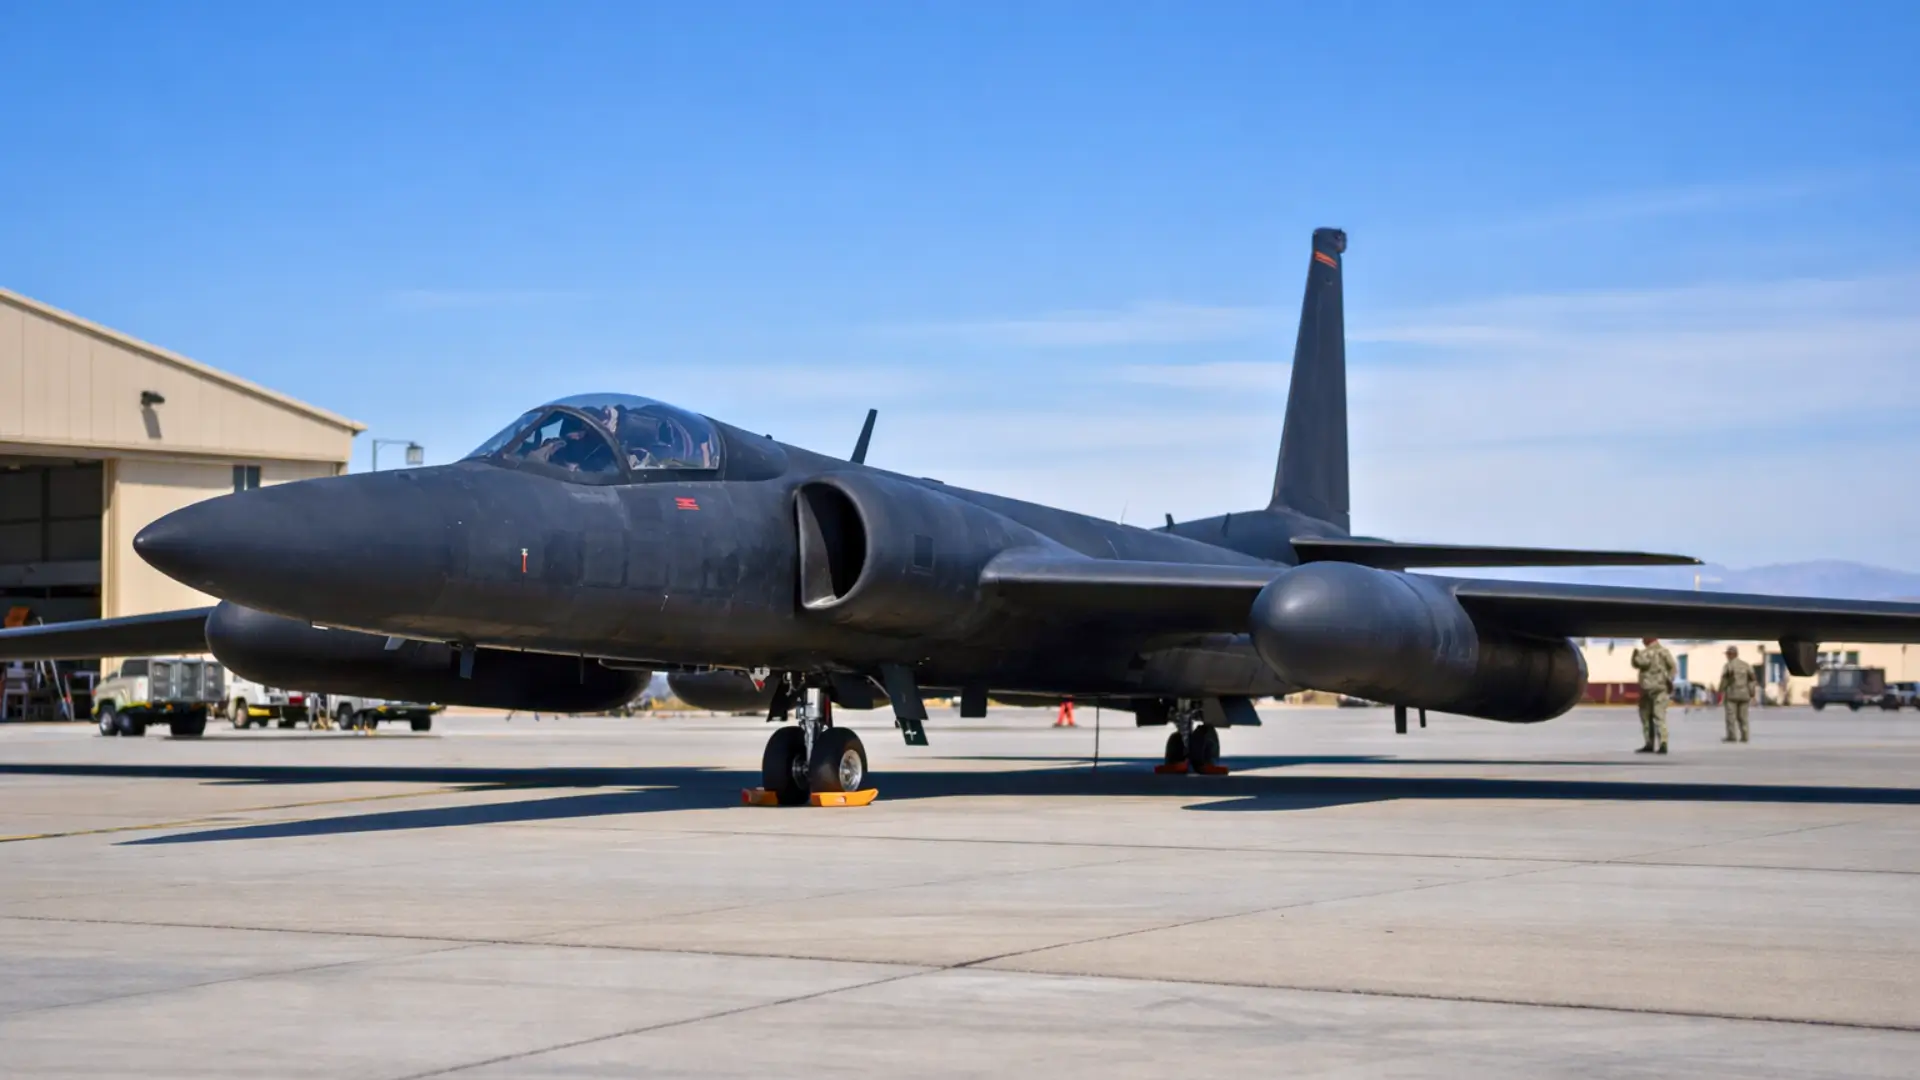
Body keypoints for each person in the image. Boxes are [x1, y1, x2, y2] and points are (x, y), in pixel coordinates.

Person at [1630, 636, 1677, 754]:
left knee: (1650, 716)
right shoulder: (1664, 652)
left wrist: (1634, 655)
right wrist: (1669, 680)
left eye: (1644, 638)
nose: (1642, 641)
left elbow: (1637, 664)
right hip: (1656, 689)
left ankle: (1654, 743)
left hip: (1651, 689)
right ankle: (1659, 743)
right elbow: (1673, 667)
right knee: (1655, 716)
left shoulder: (1647, 653)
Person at [1718, 645, 1756, 743]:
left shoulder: (1728, 666)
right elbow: (1752, 680)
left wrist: (1720, 691)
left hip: (1732, 695)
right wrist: (1751, 693)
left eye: (1727, 654)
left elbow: (1725, 680)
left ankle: (1732, 736)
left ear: (1731, 655)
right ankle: (1745, 736)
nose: (1726, 656)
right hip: (1744, 695)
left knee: (1731, 717)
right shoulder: (1746, 665)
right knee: (1743, 717)